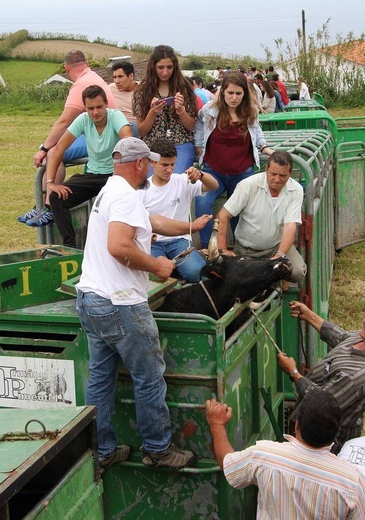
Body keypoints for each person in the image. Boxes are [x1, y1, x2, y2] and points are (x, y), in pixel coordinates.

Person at [76, 137, 211, 471]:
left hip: (91, 299)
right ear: (138, 164)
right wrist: (157, 266)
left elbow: (153, 223)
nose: (152, 167)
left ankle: (101, 450)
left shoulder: (112, 190)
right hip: (120, 303)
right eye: (149, 162)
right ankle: (158, 449)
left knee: (100, 379)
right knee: (149, 376)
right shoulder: (125, 196)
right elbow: (119, 246)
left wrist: (192, 226)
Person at [205, 389, 365, 519]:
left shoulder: (264, 455)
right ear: (335, 432)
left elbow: (228, 464)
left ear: (296, 425)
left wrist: (217, 424)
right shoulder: (351, 480)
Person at [277, 303, 365, 452]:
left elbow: (321, 400)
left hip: (320, 438)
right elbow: (342, 337)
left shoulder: (355, 377)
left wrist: (293, 372)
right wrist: (308, 315)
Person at [20, 50, 117, 226]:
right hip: (100, 135)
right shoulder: (93, 77)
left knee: (54, 152)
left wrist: (44, 148)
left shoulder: (82, 85)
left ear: (66, 68)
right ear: (86, 63)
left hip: (102, 140)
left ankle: (47, 208)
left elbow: (64, 122)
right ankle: (41, 206)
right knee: (55, 148)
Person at [193, 71, 274, 248]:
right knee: (202, 202)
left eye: (238, 93)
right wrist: (198, 143)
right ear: (223, 93)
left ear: (244, 94)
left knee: (239, 209)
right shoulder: (210, 110)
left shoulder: (250, 111)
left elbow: (256, 130)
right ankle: (208, 247)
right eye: (230, 93)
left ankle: (240, 248)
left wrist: (264, 147)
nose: (234, 97)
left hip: (242, 172)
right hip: (213, 171)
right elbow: (198, 122)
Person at [46, 85, 133, 248]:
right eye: (90, 108)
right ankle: (70, 248)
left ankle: (122, 245)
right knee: (56, 198)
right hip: (93, 175)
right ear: (85, 108)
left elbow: (128, 140)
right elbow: (59, 148)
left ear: (107, 104)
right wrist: (51, 182)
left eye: (99, 107)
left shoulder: (115, 116)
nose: (95, 112)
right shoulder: (83, 120)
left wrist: (120, 165)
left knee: (115, 208)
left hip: (115, 176)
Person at [216, 151, 306, 282]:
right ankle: (275, 282)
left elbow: (290, 226)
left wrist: (279, 256)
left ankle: (279, 281)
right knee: (245, 280)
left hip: (276, 246)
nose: (277, 179)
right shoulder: (247, 185)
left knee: (297, 271)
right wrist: (222, 249)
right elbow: (223, 215)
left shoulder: (296, 189)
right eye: (273, 174)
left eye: (282, 175)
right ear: (266, 169)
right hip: (247, 250)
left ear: (290, 173)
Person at [141, 138, 219, 282]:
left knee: (197, 273)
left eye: (172, 164)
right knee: (155, 276)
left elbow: (214, 185)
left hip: (180, 240)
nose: (170, 169)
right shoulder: (142, 189)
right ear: (152, 162)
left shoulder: (182, 180)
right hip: (153, 242)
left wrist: (200, 174)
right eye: (164, 165)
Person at [132, 45, 197, 173]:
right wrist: (152, 112)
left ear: (175, 67)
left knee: (175, 178)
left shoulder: (185, 88)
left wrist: (181, 111)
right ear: (153, 67)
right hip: (153, 145)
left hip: (180, 143)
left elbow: (191, 127)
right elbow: (142, 131)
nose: (165, 72)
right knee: (152, 183)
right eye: (160, 67)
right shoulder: (142, 91)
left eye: (169, 67)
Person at [108, 60, 139, 137]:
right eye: (114, 77)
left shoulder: (144, 89)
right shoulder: (110, 89)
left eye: (120, 77)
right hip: (118, 126)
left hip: (138, 125)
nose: (116, 81)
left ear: (131, 76)